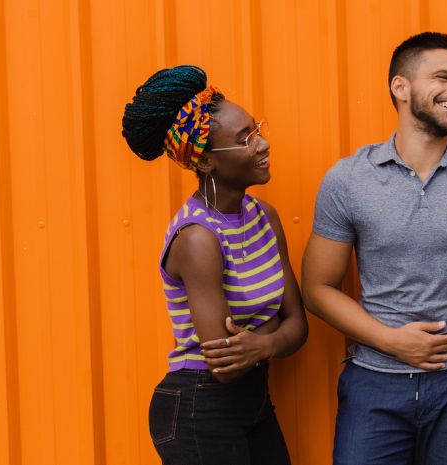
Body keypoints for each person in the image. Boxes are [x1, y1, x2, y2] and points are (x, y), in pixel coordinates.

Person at [300, 32, 447, 465]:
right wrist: (391, 341)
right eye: (442, 77)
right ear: (400, 87)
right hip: (373, 384)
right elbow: (317, 287)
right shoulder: (348, 179)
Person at [121, 64, 309, 465]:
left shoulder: (265, 217)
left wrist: (262, 342)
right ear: (206, 163)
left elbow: (299, 326)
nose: (262, 144)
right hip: (198, 408)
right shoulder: (198, 239)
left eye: (257, 129)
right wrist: (273, 335)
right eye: (245, 139)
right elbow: (224, 364)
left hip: (254, 401)